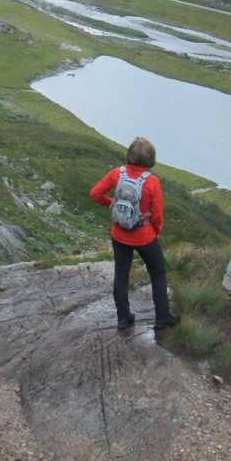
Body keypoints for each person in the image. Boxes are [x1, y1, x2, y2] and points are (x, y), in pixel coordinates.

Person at [90, 136, 179, 331]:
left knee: (121, 274)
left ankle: (123, 318)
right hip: (145, 235)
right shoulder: (152, 181)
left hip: (119, 234)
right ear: (150, 160)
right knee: (157, 273)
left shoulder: (116, 174)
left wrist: (110, 203)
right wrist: (155, 231)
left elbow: (95, 193)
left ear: (129, 155)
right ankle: (162, 318)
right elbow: (157, 213)